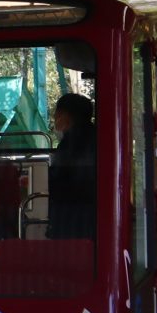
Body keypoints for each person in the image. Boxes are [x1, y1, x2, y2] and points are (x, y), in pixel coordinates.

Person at [49, 92, 98, 240]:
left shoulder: (70, 142)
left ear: (66, 116)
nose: (55, 117)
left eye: (57, 113)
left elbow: (58, 179)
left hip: (72, 217)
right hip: (92, 214)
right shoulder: (96, 135)